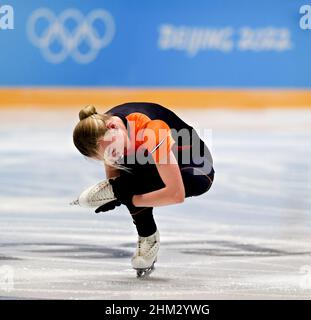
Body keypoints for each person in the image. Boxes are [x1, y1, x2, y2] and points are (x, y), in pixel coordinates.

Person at [72, 102, 215, 276]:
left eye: (112, 150)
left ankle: (147, 234)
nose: (112, 157)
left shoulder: (151, 130)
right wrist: (117, 189)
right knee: (125, 176)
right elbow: (115, 173)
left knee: (129, 184)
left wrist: (127, 197)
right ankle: (147, 235)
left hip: (194, 166)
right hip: (151, 160)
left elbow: (176, 194)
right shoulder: (102, 129)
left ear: (113, 126)